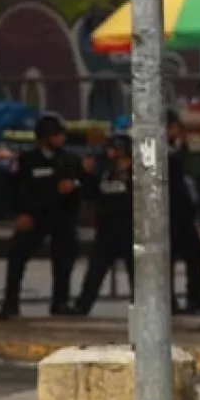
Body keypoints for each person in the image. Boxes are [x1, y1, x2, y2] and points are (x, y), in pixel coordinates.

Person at [0, 111, 87, 320]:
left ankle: (60, 302)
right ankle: (10, 304)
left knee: (64, 259)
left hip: (62, 217)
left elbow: (86, 183)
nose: (60, 139)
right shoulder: (27, 160)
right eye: (56, 135)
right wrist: (19, 214)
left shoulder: (69, 159)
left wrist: (74, 185)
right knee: (17, 255)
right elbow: (12, 189)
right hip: (34, 217)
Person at [72, 133, 135, 316]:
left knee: (136, 272)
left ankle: (142, 308)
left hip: (130, 229)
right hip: (107, 228)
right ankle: (83, 305)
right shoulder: (106, 171)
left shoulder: (136, 172)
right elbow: (92, 193)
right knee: (96, 269)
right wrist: (85, 174)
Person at [167, 109, 200, 315]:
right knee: (166, 260)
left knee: (196, 255)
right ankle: (167, 301)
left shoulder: (178, 149)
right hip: (167, 214)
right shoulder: (160, 151)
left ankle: (195, 298)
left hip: (184, 214)